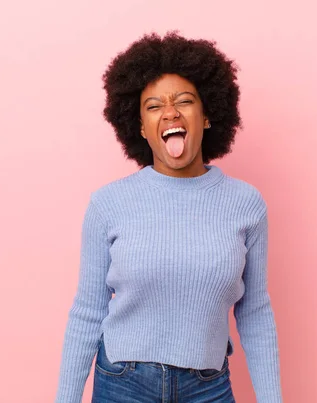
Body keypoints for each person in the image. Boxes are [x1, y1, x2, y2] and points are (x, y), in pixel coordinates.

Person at [55, 32, 282, 403]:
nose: (171, 112)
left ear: (207, 115)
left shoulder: (246, 205)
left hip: (208, 387)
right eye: (154, 106)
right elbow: (87, 311)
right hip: (123, 384)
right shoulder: (108, 204)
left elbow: (255, 311)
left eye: (185, 101)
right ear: (141, 127)